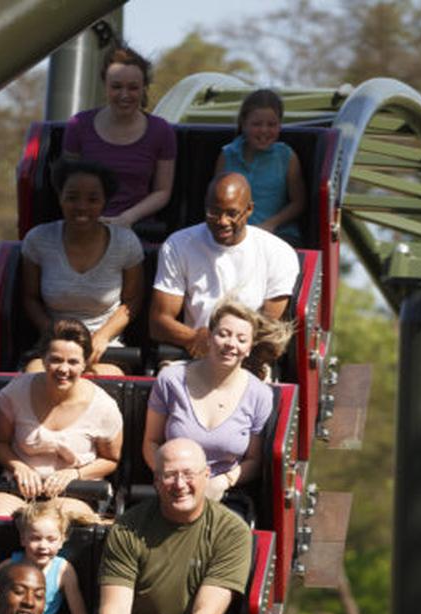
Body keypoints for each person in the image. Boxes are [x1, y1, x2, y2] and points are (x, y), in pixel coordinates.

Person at [78, 437, 251, 614]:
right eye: (170, 475)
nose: (180, 484)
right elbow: (113, 613)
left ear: (207, 474)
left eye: (189, 474)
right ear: (156, 481)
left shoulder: (231, 532)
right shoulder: (129, 528)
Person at [142, 298, 282, 504]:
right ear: (208, 337)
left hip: (223, 495)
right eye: (223, 334)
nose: (231, 344)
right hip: (171, 489)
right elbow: (151, 442)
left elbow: (255, 460)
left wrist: (224, 481)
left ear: (250, 348)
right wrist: (171, 479)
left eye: (241, 339)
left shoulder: (260, 395)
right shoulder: (171, 379)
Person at [0, 319, 124, 526]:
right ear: (43, 359)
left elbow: (111, 460)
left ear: (85, 363)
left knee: (55, 524)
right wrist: (18, 467)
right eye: (56, 360)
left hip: (76, 492)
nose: (63, 369)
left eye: (73, 362)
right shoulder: (15, 393)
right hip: (20, 489)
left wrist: (75, 473)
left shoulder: (104, 406)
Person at [149, 174, 299, 358]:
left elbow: (269, 327)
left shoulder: (278, 252)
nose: (222, 221)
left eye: (232, 213)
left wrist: (227, 345)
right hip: (194, 354)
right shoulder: (178, 244)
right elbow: (158, 323)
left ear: (249, 209)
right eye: (214, 212)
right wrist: (193, 338)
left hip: (250, 358)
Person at [21, 159, 144, 374]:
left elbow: (132, 301)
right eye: (72, 198)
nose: (81, 207)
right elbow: (29, 297)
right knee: (35, 375)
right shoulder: (38, 240)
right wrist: (53, 333)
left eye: (92, 199)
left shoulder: (125, 243)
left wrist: (102, 336)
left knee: (107, 379)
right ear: (60, 198)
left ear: (105, 201)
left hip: (105, 349)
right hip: (55, 345)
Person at [60, 43, 176, 228]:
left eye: (133, 88)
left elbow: (162, 191)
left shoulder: (160, 131)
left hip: (137, 227)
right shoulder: (79, 125)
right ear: (105, 86)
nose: (124, 95)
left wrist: (127, 218)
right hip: (85, 224)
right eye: (116, 87)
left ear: (143, 88)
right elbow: (67, 184)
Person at [215, 90, 306, 242]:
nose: (264, 130)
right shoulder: (227, 154)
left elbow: (298, 203)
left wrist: (270, 224)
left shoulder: (286, 156)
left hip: (279, 235)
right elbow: (217, 200)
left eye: (271, 125)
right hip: (235, 234)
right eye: (257, 124)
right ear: (244, 124)